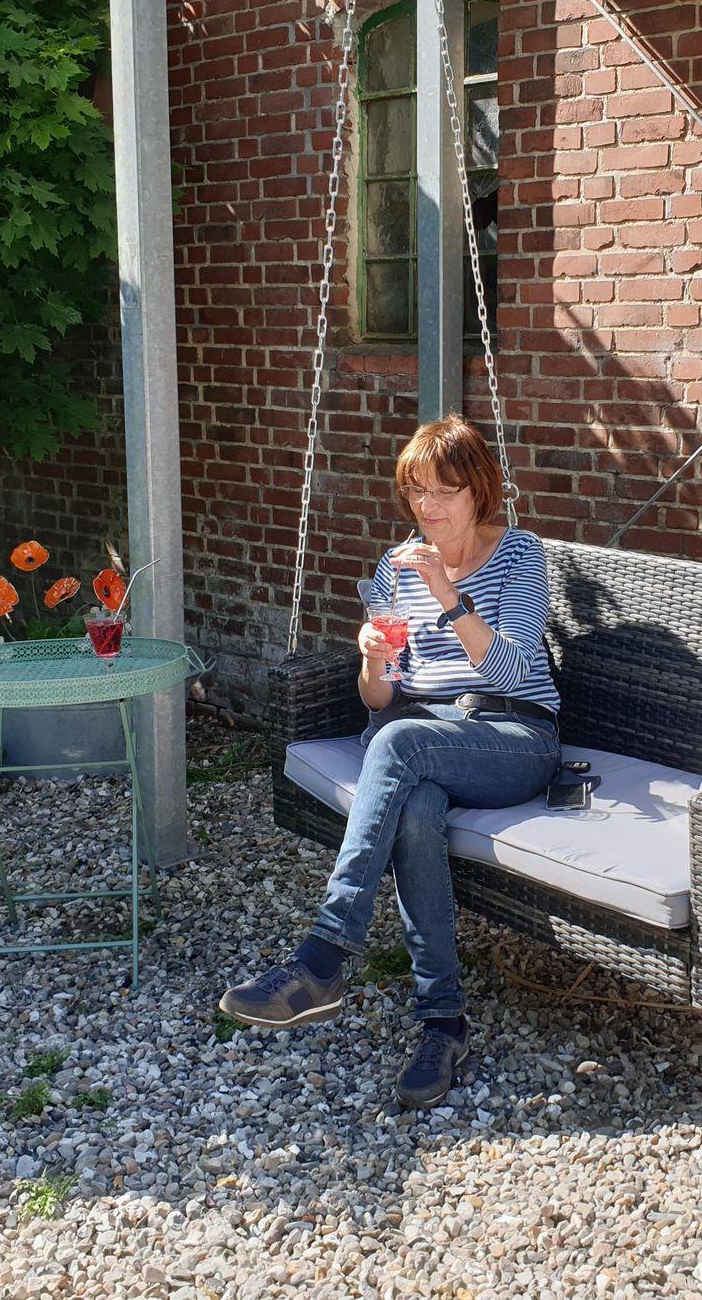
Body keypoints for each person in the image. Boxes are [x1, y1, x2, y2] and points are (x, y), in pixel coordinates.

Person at [220, 414, 562, 1108]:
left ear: (479, 490)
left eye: (445, 491)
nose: (428, 507)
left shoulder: (520, 555)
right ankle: (444, 1023)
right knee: (414, 808)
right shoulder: (395, 566)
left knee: (398, 743)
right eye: (416, 492)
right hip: (424, 739)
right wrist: (373, 661)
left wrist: (449, 598)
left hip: (513, 736)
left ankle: (324, 956)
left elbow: (512, 669)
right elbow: (380, 698)